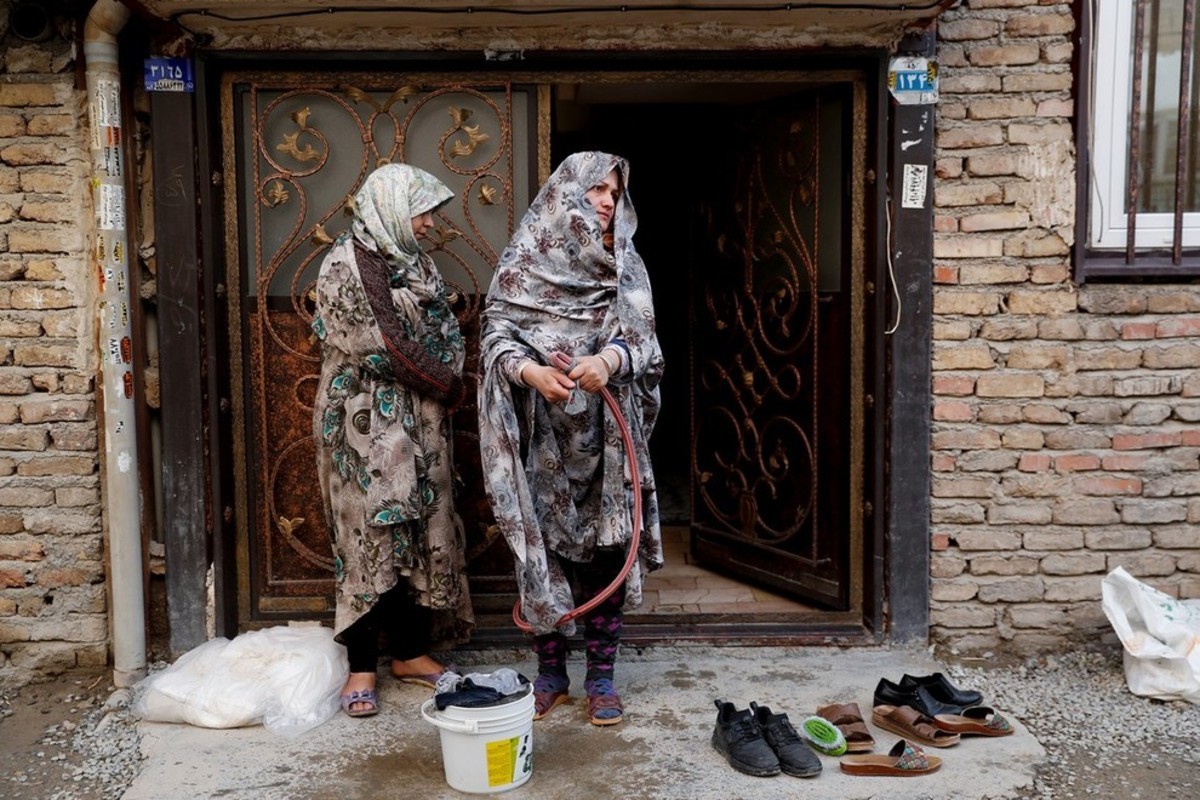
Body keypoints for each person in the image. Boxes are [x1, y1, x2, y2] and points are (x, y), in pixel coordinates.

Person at [477, 152, 665, 726]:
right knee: (544, 553)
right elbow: (496, 335)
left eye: (614, 192)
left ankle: (602, 678)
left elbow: (647, 346)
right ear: (566, 195)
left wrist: (609, 361)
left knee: (609, 551)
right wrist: (530, 373)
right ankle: (551, 673)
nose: (609, 201)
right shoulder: (524, 264)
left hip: (610, 442)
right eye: (596, 191)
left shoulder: (625, 266)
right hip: (541, 441)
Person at [312, 163, 474, 717]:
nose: (430, 223)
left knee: (418, 530)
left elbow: (445, 331)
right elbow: (381, 345)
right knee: (367, 539)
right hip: (364, 429)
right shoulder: (344, 266)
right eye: (421, 211)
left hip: (420, 423)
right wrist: (448, 383)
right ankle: (362, 666)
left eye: (430, 212)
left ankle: (409, 653)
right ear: (389, 210)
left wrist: (446, 377)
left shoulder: (417, 264)